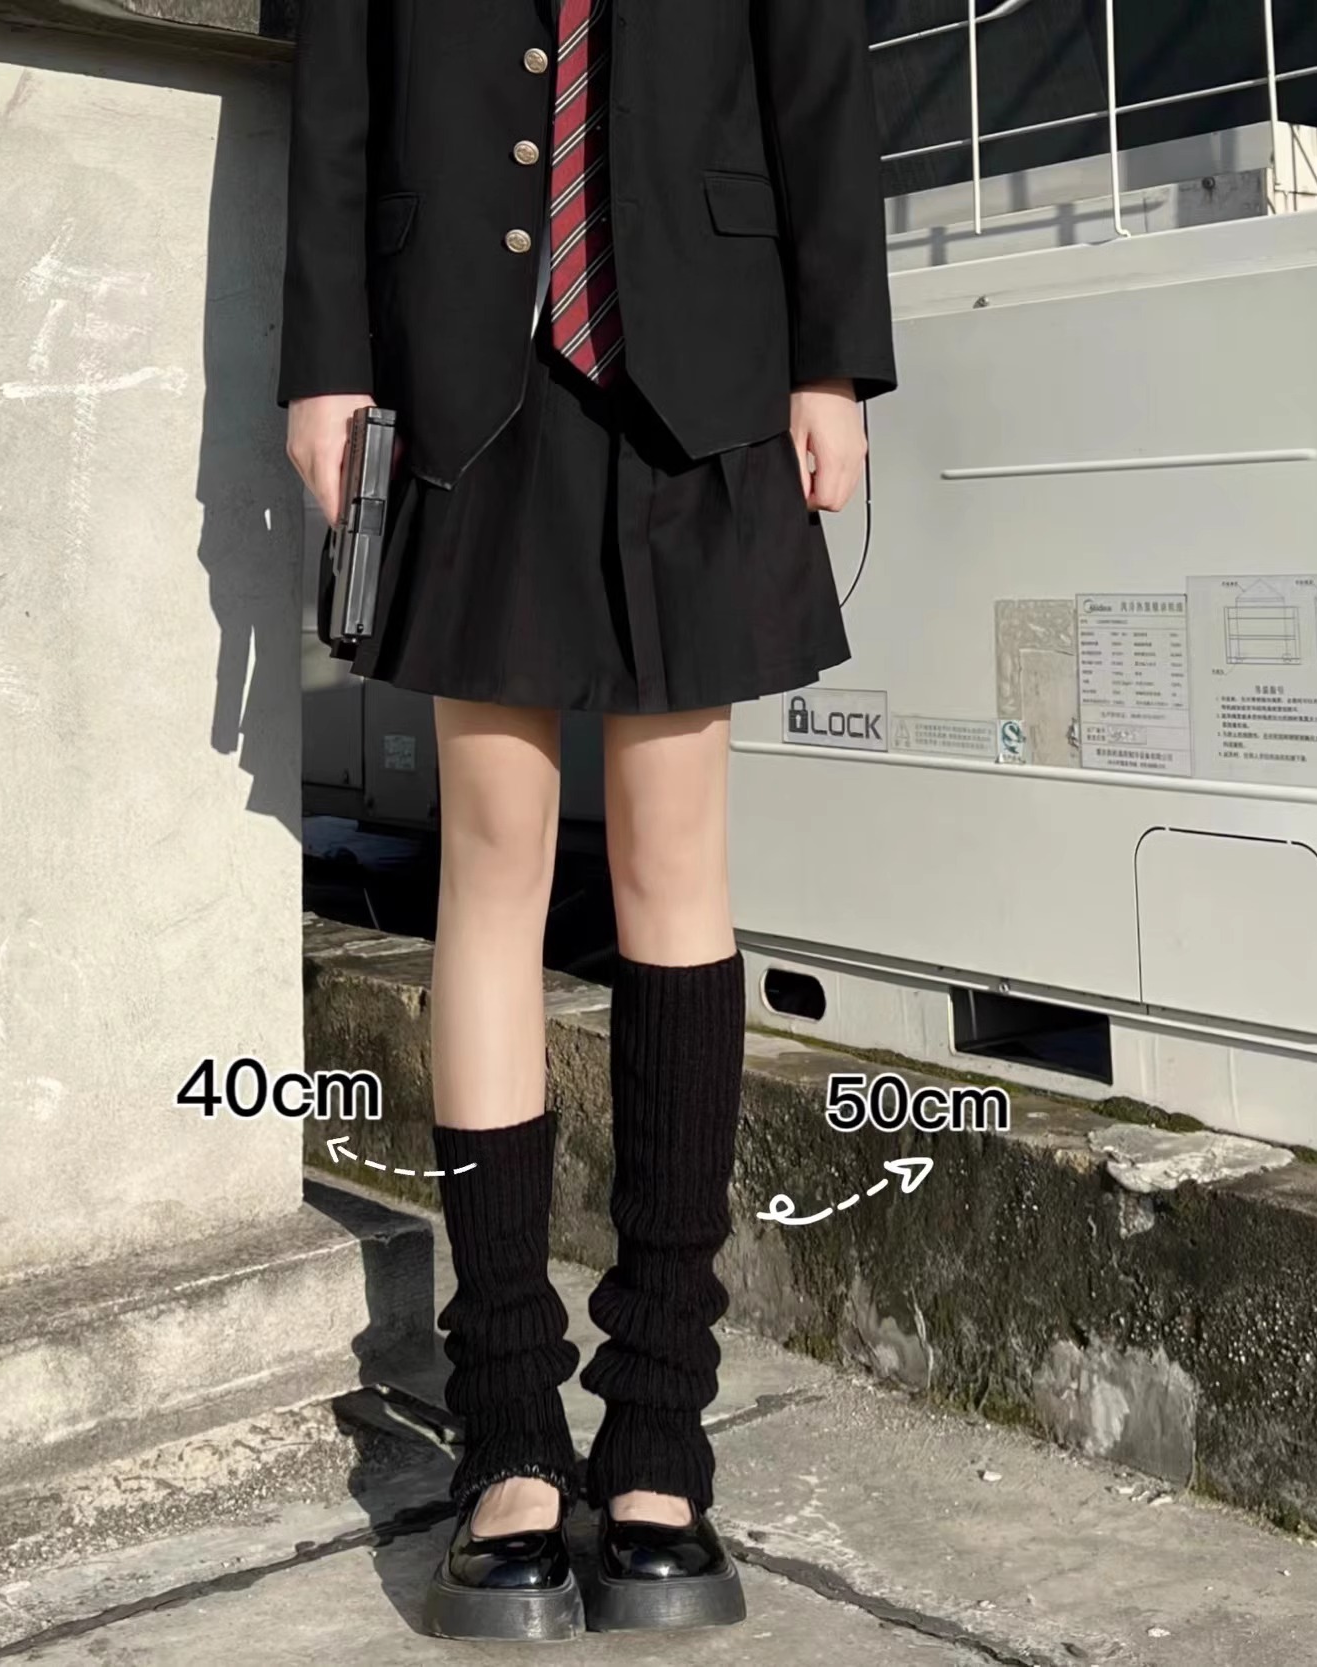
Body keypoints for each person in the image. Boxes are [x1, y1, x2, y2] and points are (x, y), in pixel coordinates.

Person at [280, 0, 895, 1640]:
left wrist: (832, 353)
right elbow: (340, 80)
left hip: (699, 352)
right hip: (466, 363)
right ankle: (505, 1430)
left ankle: (662, 1437)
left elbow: (813, 63)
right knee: (488, 870)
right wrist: (327, 360)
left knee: (674, 870)